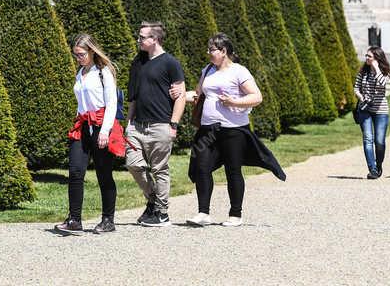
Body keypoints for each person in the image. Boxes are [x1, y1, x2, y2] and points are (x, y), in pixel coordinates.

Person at [175, 33, 285, 227]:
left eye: (212, 49)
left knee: (232, 170)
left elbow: (256, 97)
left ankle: (235, 214)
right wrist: (182, 94)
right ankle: (203, 213)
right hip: (208, 129)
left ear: (223, 51)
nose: (208, 53)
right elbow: (199, 94)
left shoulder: (239, 72)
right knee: (201, 167)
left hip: (233, 130)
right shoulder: (207, 70)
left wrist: (234, 101)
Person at [55, 33, 123, 235]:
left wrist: (104, 131)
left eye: (81, 54)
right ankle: (74, 219)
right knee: (75, 171)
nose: (78, 58)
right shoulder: (80, 72)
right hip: (83, 125)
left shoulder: (103, 73)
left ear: (92, 51)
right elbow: (81, 102)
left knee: (104, 174)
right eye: (76, 55)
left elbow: (111, 104)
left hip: (102, 125)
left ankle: (108, 220)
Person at [125, 22, 186, 227]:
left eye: (142, 37)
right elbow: (133, 96)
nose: (139, 40)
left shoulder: (170, 63)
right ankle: (152, 199)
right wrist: (128, 123)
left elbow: (181, 96)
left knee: (160, 169)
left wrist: (174, 125)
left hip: (161, 125)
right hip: (137, 125)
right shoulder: (139, 62)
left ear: (155, 39)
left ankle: (162, 212)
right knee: (133, 164)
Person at [354, 46, 390, 179]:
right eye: (366, 56)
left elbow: (383, 84)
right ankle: (372, 169)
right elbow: (356, 88)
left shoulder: (385, 72)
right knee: (368, 138)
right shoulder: (363, 71)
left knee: (379, 140)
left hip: (381, 110)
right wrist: (361, 97)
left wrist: (376, 69)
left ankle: (379, 164)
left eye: (369, 56)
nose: (366, 58)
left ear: (376, 58)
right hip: (365, 109)